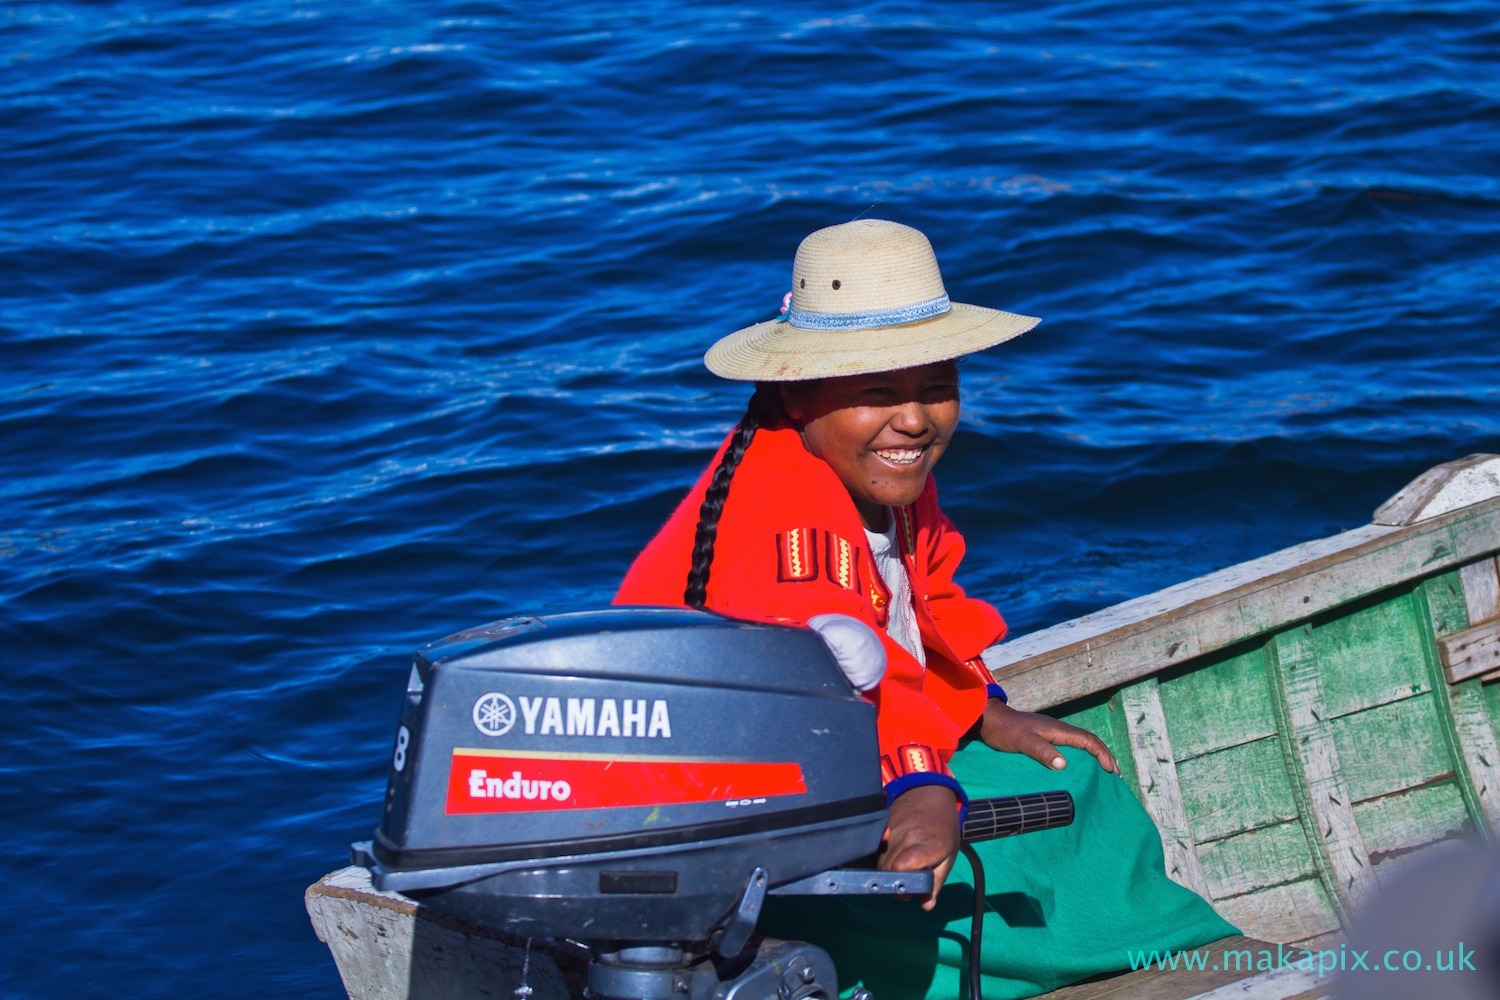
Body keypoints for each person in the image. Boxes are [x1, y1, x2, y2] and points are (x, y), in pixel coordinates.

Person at [615, 220, 1235, 999]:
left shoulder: (881, 475)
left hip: (840, 750)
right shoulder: (790, 531)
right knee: (1009, 836)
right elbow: (834, 679)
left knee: (1077, 774)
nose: (914, 420)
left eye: (936, 386)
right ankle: (1124, 966)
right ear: (797, 394)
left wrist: (982, 708)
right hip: (741, 789)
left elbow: (928, 602)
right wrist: (919, 787)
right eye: (877, 391)